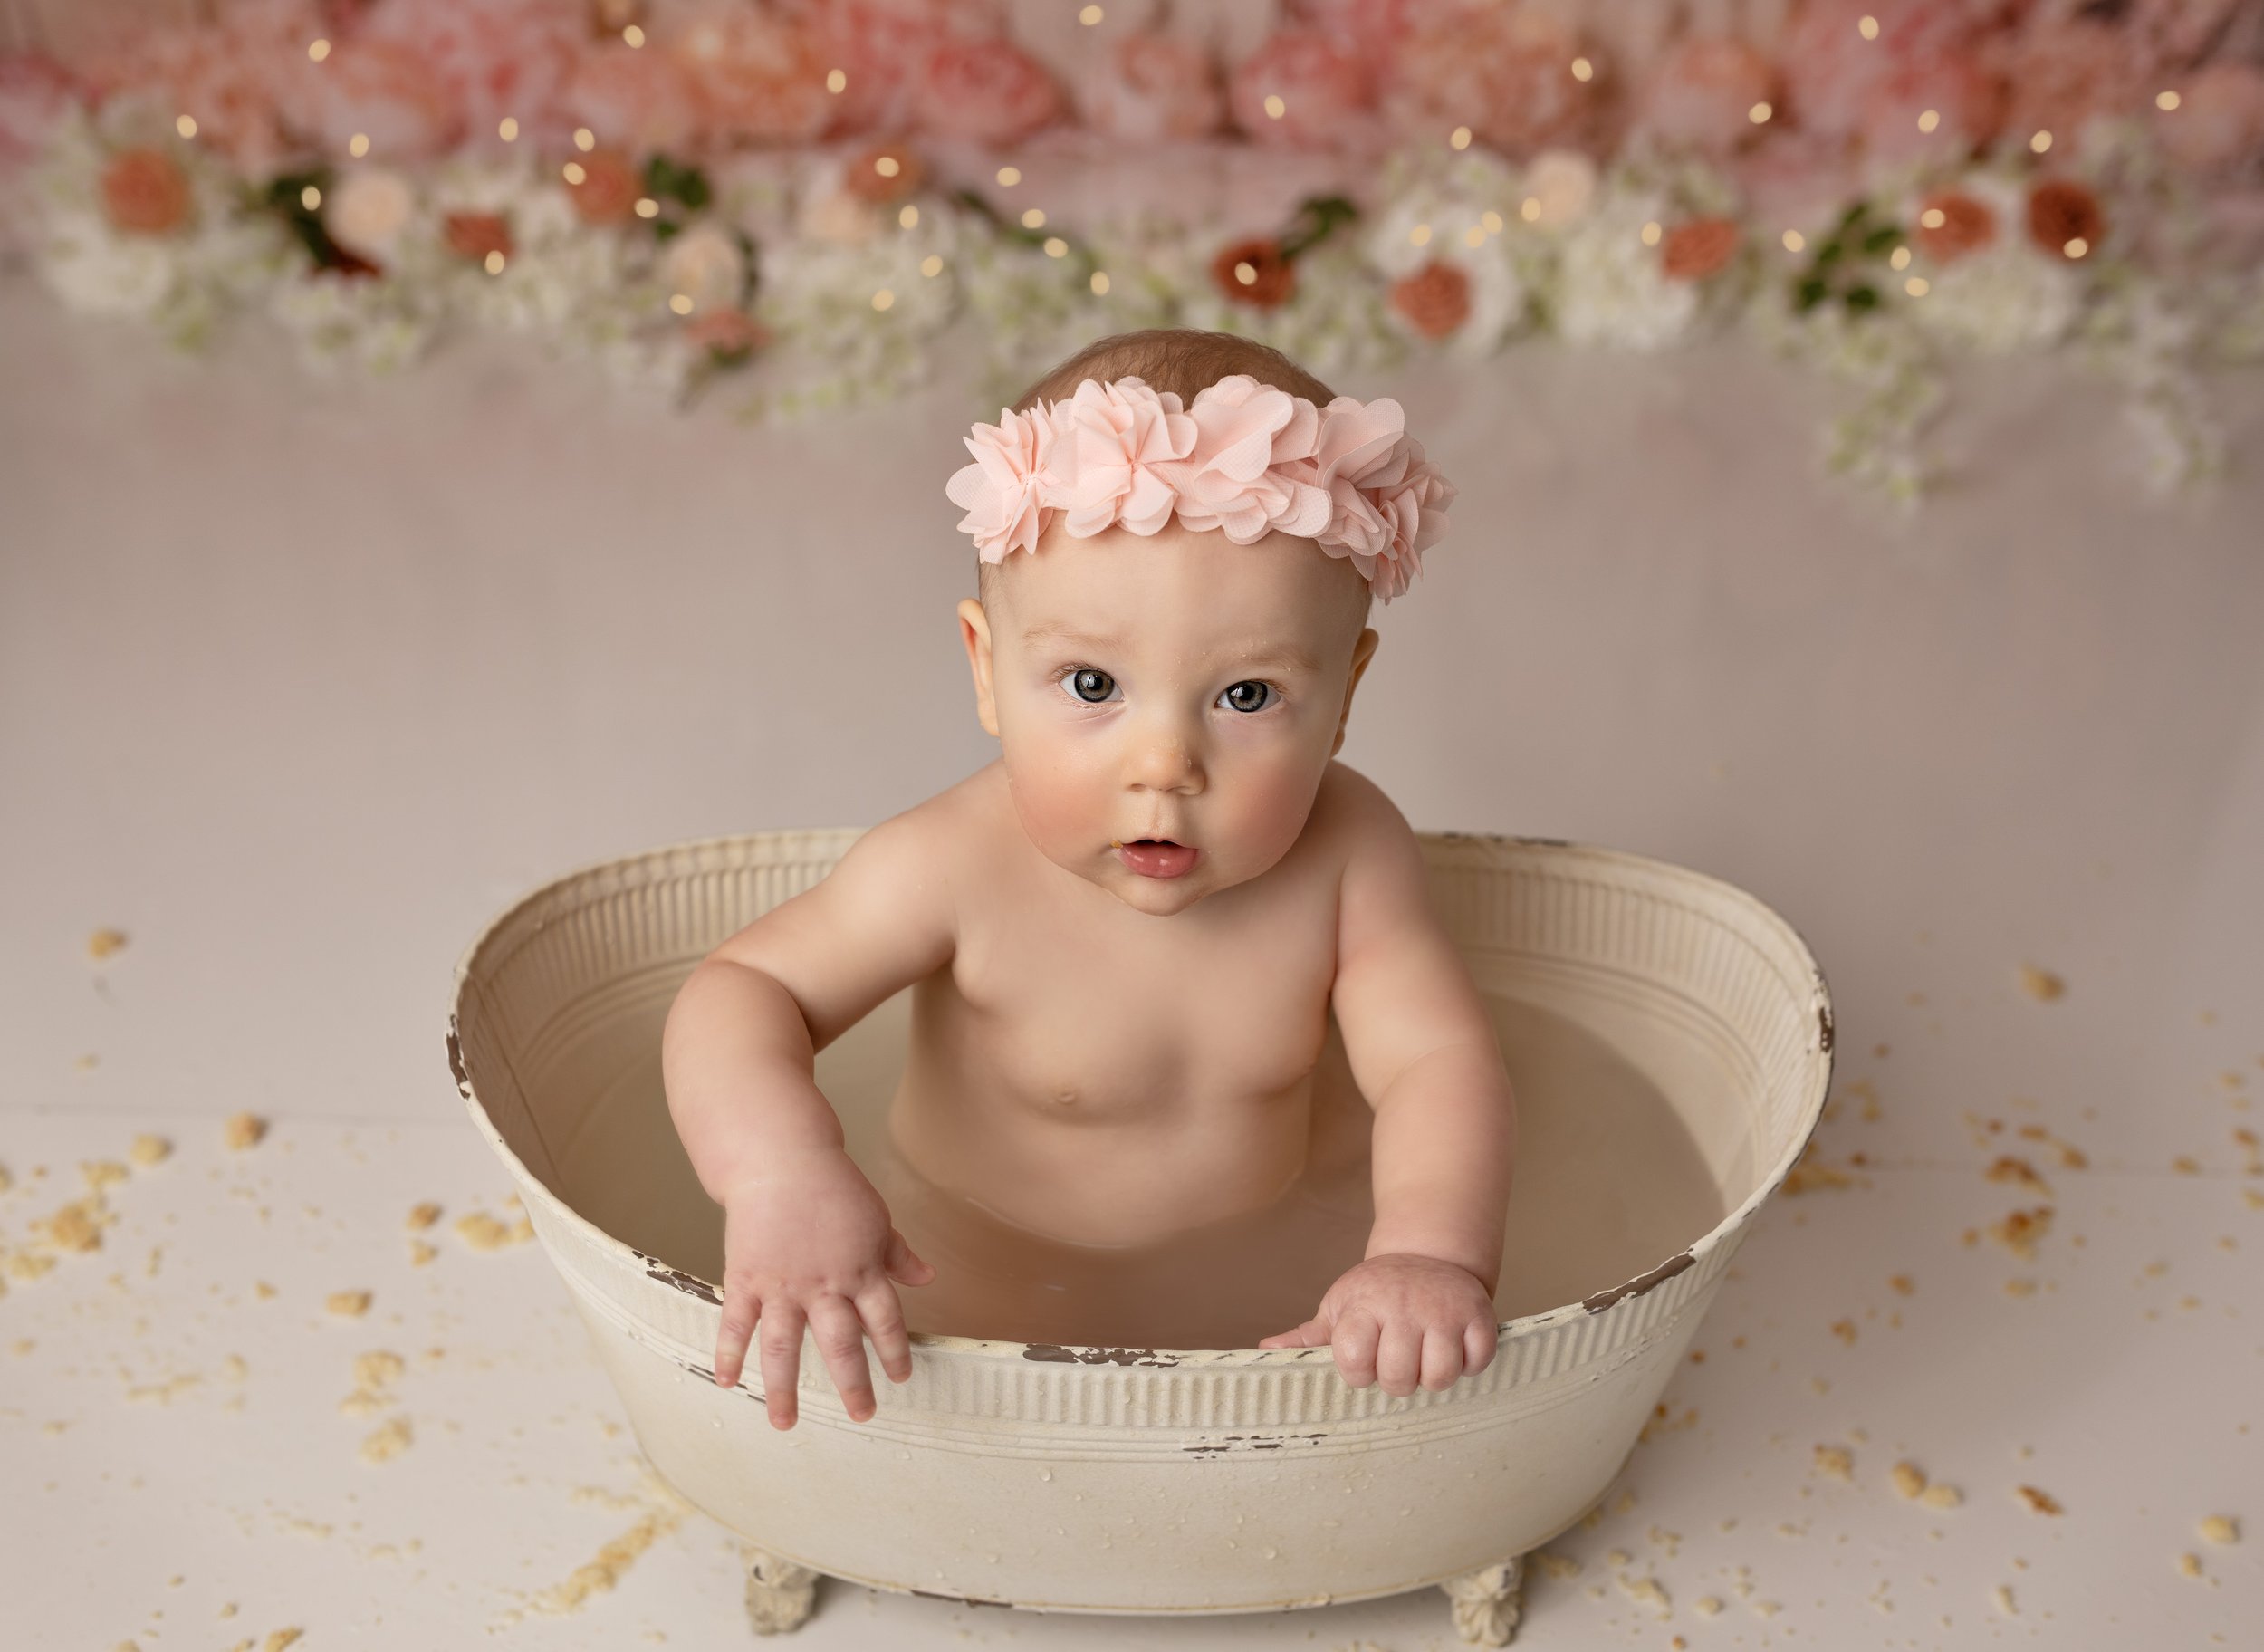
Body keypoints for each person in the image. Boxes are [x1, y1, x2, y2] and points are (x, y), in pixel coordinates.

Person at [662, 327, 1516, 1431]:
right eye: (1091, 683)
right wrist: (781, 1172)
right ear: (986, 669)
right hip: (972, 1261)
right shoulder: (952, 867)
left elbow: (1434, 1062)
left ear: (1344, 692)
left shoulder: (1350, 852)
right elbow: (742, 991)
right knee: (975, 1430)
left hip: (1267, 1270)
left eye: (1246, 696)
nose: (1164, 765)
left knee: (1299, 1424)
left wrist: (1422, 1250)